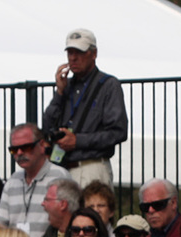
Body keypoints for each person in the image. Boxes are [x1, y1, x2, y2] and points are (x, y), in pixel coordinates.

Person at [40, 29, 128, 188]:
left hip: (91, 167)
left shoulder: (108, 85)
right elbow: (46, 127)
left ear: (93, 54)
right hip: (62, 167)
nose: (73, 58)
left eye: (79, 52)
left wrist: (78, 141)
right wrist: (59, 92)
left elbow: (118, 132)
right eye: (70, 53)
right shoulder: (66, 86)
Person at [0, 122, 73, 237]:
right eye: (14, 150)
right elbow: (0, 221)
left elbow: (66, 223)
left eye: (26, 147)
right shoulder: (13, 181)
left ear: (42, 145)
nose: (19, 153)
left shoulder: (60, 177)